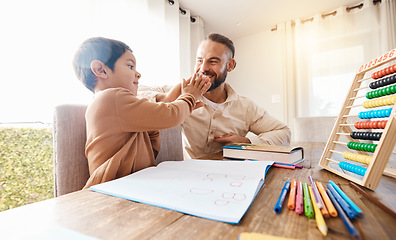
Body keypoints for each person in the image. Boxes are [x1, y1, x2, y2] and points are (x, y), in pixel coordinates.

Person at [72, 37, 211, 188]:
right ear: (101, 70)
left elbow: (163, 107)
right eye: (130, 66)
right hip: (112, 191)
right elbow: (171, 115)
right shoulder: (111, 98)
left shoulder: (116, 103)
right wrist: (189, 97)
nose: (138, 74)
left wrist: (189, 85)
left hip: (131, 186)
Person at [140, 33, 291, 159]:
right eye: (199, 61)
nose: (203, 68)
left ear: (230, 65)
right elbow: (135, 92)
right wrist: (174, 95)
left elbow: (284, 133)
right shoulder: (181, 93)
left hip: (233, 177)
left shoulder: (246, 107)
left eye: (213, 61)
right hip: (190, 177)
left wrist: (246, 141)